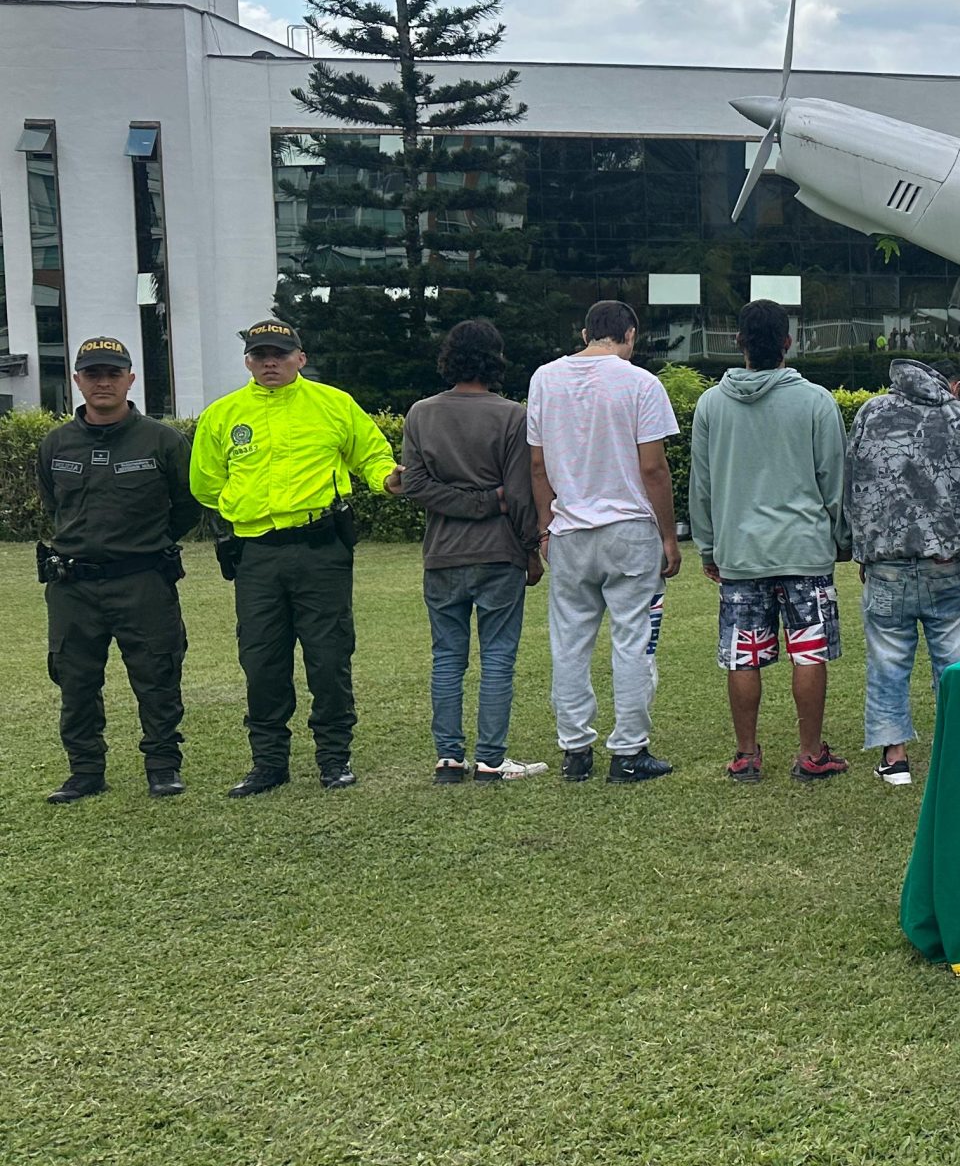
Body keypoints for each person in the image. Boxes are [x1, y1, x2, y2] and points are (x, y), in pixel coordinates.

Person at [191, 319, 399, 796]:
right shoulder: (223, 414)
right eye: (260, 354)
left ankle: (334, 758)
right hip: (256, 554)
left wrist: (387, 478)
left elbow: (371, 454)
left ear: (300, 358)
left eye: (280, 355)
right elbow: (205, 482)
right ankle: (268, 763)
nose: (270, 362)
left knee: (328, 657)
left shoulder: (333, 404)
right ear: (247, 361)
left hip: (319, 549)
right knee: (261, 659)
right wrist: (246, 508)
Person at [688, 300, 850, 785]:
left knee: (744, 654)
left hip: (740, 552)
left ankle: (746, 755)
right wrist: (839, 539)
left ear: (738, 342)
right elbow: (833, 482)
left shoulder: (711, 405)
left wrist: (709, 547)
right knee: (809, 650)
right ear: (788, 343)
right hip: (804, 550)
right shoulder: (817, 401)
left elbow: (703, 485)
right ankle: (808, 754)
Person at [38, 336, 199, 802]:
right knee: (75, 679)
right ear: (77, 381)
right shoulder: (56, 442)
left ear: (131, 379)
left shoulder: (162, 440)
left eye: (113, 373)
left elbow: (186, 506)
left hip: (142, 579)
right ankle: (85, 771)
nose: (103, 382)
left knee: (157, 673)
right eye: (92, 374)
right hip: (72, 585)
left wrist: (146, 545)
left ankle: (162, 765)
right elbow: (53, 501)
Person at [527, 300, 680, 784]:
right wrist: (669, 536)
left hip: (569, 528)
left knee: (569, 643)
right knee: (632, 641)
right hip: (630, 528)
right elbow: (653, 468)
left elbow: (537, 464)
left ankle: (575, 750)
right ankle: (629, 750)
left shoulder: (544, 379)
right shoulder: (641, 383)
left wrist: (544, 528)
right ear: (630, 335)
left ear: (585, 332)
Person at [403, 319, 546, 785]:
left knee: (447, 656)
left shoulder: (420, 413)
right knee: (498, 657)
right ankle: (489, 758)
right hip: (499, 552)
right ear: (495, 359)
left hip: (442, 553)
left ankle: (448, 757)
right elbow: (521, 495)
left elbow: (415, 484)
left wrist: (463, 503)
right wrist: (527, 544)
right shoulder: (511, 416)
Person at [853, 360, 960, 786]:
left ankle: (895, 757)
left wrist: (864, 550)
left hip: (886, 563)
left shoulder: (871, 413)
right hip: (944, 564)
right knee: (954, 660)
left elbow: (854, 482)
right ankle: (956, 750)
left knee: (887, 660)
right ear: (953, 385)